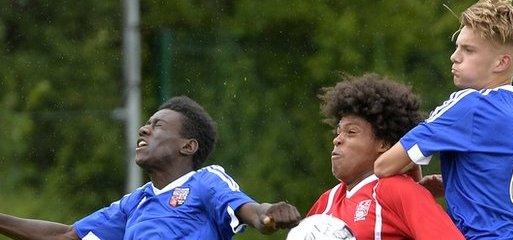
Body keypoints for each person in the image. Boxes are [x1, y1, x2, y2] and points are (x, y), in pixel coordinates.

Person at [0, 96, 301, 239]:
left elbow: (253, 213)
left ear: (188, 146)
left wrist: (269, 213)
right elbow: (63, 237)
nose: (144, 130)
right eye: (145, 124)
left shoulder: (205, 182)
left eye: (157, 126)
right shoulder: (136, 202)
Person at [374, 0, 513, 239]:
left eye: (468, 50)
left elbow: (384, 166)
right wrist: (455, 184)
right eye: (457, 47)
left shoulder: (471, 105)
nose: (454, 57)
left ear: (501, 62)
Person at [307, 73, 464, 240]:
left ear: (384, 144)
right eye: (338, 132)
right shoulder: (326, 202)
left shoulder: (397, 190)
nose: (337, 139)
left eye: (351, 132)